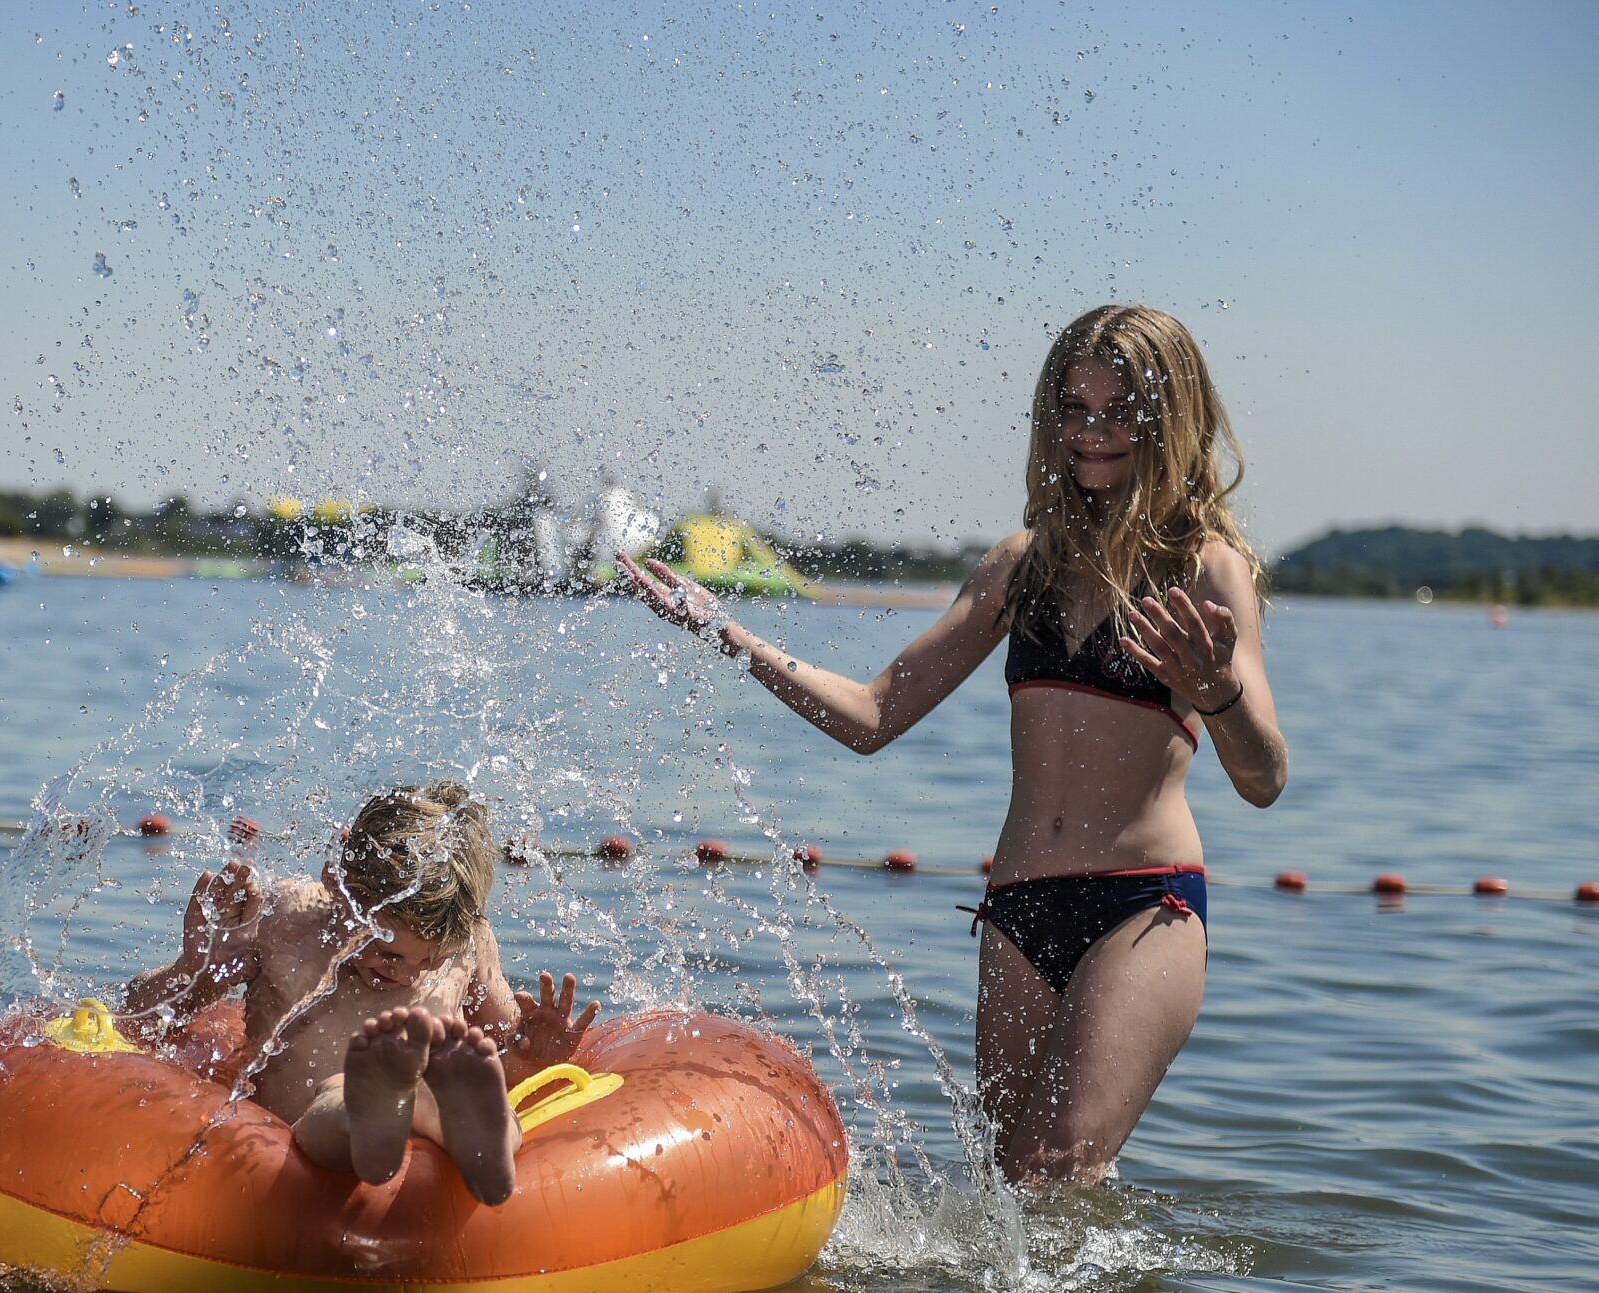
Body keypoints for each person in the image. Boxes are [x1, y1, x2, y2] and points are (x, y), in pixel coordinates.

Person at [621, 304, 1287, 1190]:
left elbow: (1264, 776)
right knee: (1014, 1205)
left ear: (1170, 422)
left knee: (1047, 1170)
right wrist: (727, 634)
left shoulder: (1205, 568)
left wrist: (1219, 695)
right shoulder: (1021, 565)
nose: (1091, 434)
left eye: (1119, 411)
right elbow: (871, 714)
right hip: (1015, 914)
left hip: (1141, 910)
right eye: (1073, 409)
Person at [120, 783, 596, 1204]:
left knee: (408, 1096)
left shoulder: (469, 944)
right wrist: (195, 965)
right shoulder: (284, 921)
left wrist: (534, 1054)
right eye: (386, 952)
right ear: (338, 886)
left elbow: (500, 1052)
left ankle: (439, 1113)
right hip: (301, 1137)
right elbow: (145, 1019)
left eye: (429, 961)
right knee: (341, 1097)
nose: (406, 974)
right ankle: (404, 1105)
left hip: (380, 1121)